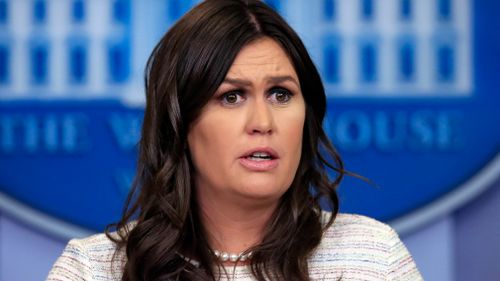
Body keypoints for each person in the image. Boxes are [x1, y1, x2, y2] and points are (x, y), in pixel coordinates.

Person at [47, 0, 422, 280]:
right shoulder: (92, 269)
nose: (263, 122)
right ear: (180, 122)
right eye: (231, 96)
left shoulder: (373, 256)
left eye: (281, 94)